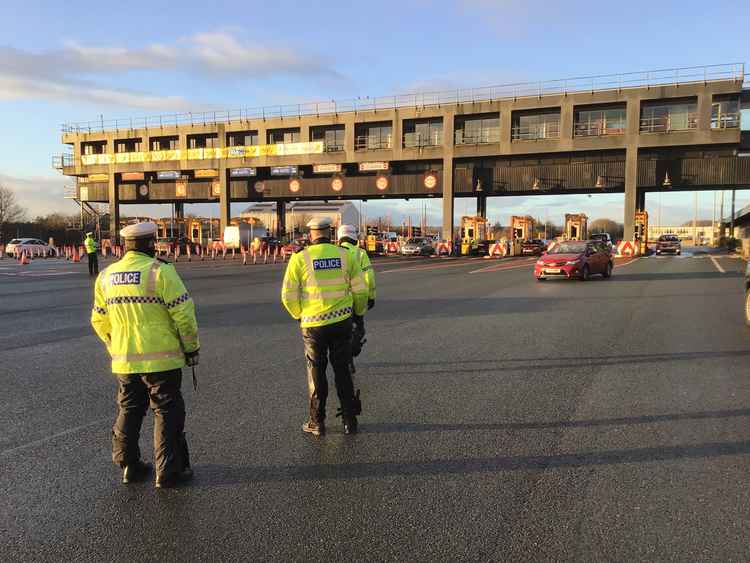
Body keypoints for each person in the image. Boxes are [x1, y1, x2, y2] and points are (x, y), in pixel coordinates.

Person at [91, 222, 200, 489]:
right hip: (162, 360)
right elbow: (183, 315)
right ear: (151, 244)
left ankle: (129, 466)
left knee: (129, 409)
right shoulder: (161, 272)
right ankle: (168, 471)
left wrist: (114, 344)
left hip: (124, 360)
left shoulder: (106, 276)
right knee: (166, 411)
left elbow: (99, 320)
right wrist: (191, 349)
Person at [281, 217, 368, 436]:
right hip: (342, 322)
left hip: (313, 325)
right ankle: (349, 421)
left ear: (311, 235)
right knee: (343, 370)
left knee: (316, 371)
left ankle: (317, 422)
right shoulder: (345, 256)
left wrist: (299, 315)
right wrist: (358, 313)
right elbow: (361, 290)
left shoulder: (300, 259)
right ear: (330, 233)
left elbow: (288, 295)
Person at [337, 225, 376, 311]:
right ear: (354, 237)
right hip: (357, 298)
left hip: (337, 301)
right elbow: (369, 276)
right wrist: (371, 296)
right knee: (357, 321)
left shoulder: (333, 252)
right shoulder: (361, 253)